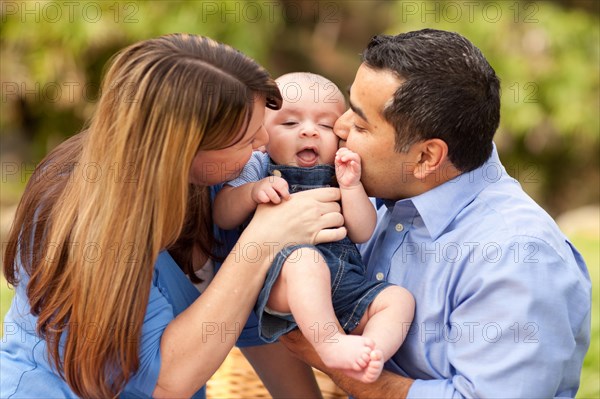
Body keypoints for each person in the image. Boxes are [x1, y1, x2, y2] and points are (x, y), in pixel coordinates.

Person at [0, 34, 346, 398]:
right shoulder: (77, 214)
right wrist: (262, 241)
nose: (263, 140)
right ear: (183, 151)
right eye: (245, 139)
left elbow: (246, 315)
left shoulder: (218, 186)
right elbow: (167, 380)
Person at [280, 29, 592, 398]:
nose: (341, 126)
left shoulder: (516, 257)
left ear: (427, 157)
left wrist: (332, 359)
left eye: (362, 124)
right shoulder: (375, 190)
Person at [213, 72, 415, 383]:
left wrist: (350, 187)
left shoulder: (343, 170)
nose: (309, 132)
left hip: (348, 287)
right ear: (263, 134)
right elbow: (223, 214)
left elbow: (362, 231)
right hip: (284, 282)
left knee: (400, 299)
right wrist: (251, 193)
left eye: (325, 125)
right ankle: (331, 344)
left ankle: (369, 351)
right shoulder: (257, 165)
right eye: (291, 124)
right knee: (306, 262)